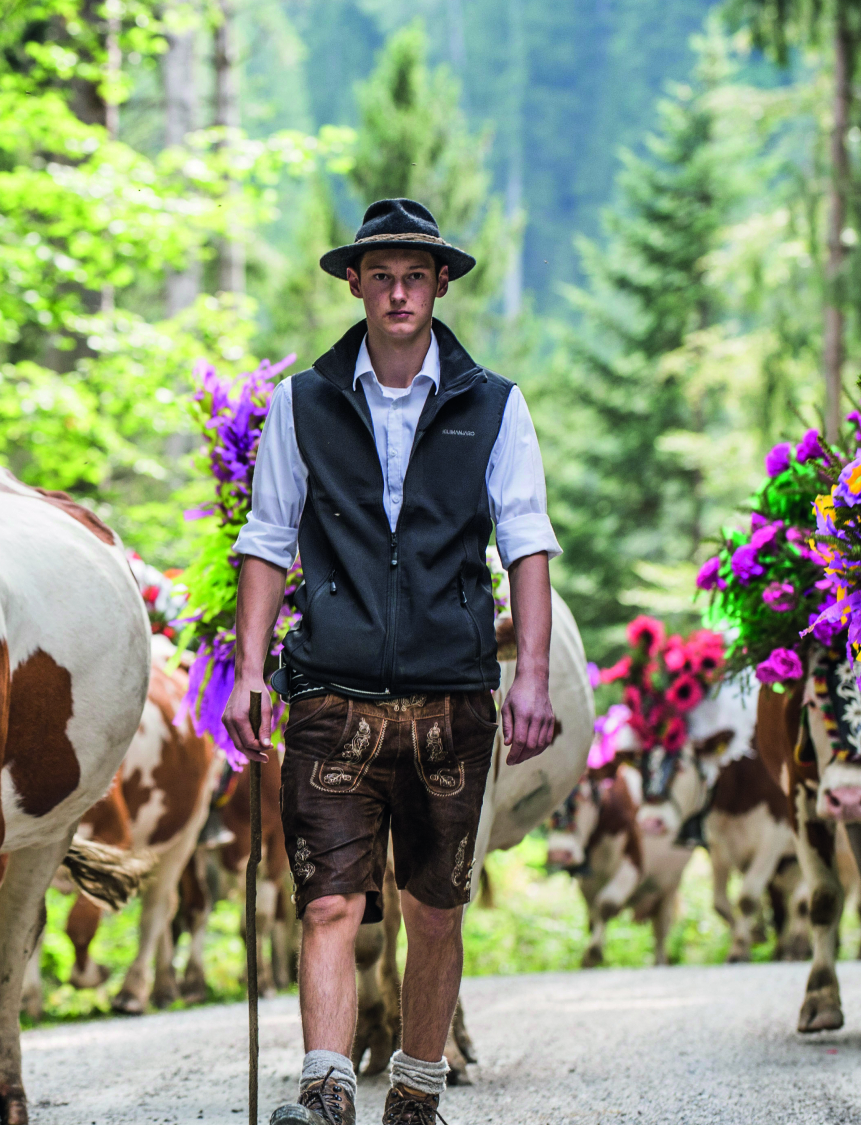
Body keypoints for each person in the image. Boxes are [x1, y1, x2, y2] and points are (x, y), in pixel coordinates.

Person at [223, 198, 561, 1125]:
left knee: (433, 908)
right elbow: (267, 537)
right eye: (382, 275)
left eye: (416, 275)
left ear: (441, 282)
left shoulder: (495, 405)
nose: (400, 292)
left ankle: (416, 1087)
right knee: (332, 901)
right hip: (330, 691)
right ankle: (326, 1086)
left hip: (454, 698)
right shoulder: (304, 403)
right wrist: (252, 671)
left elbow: (527, 544)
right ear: (355, 282)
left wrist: (529, 675)